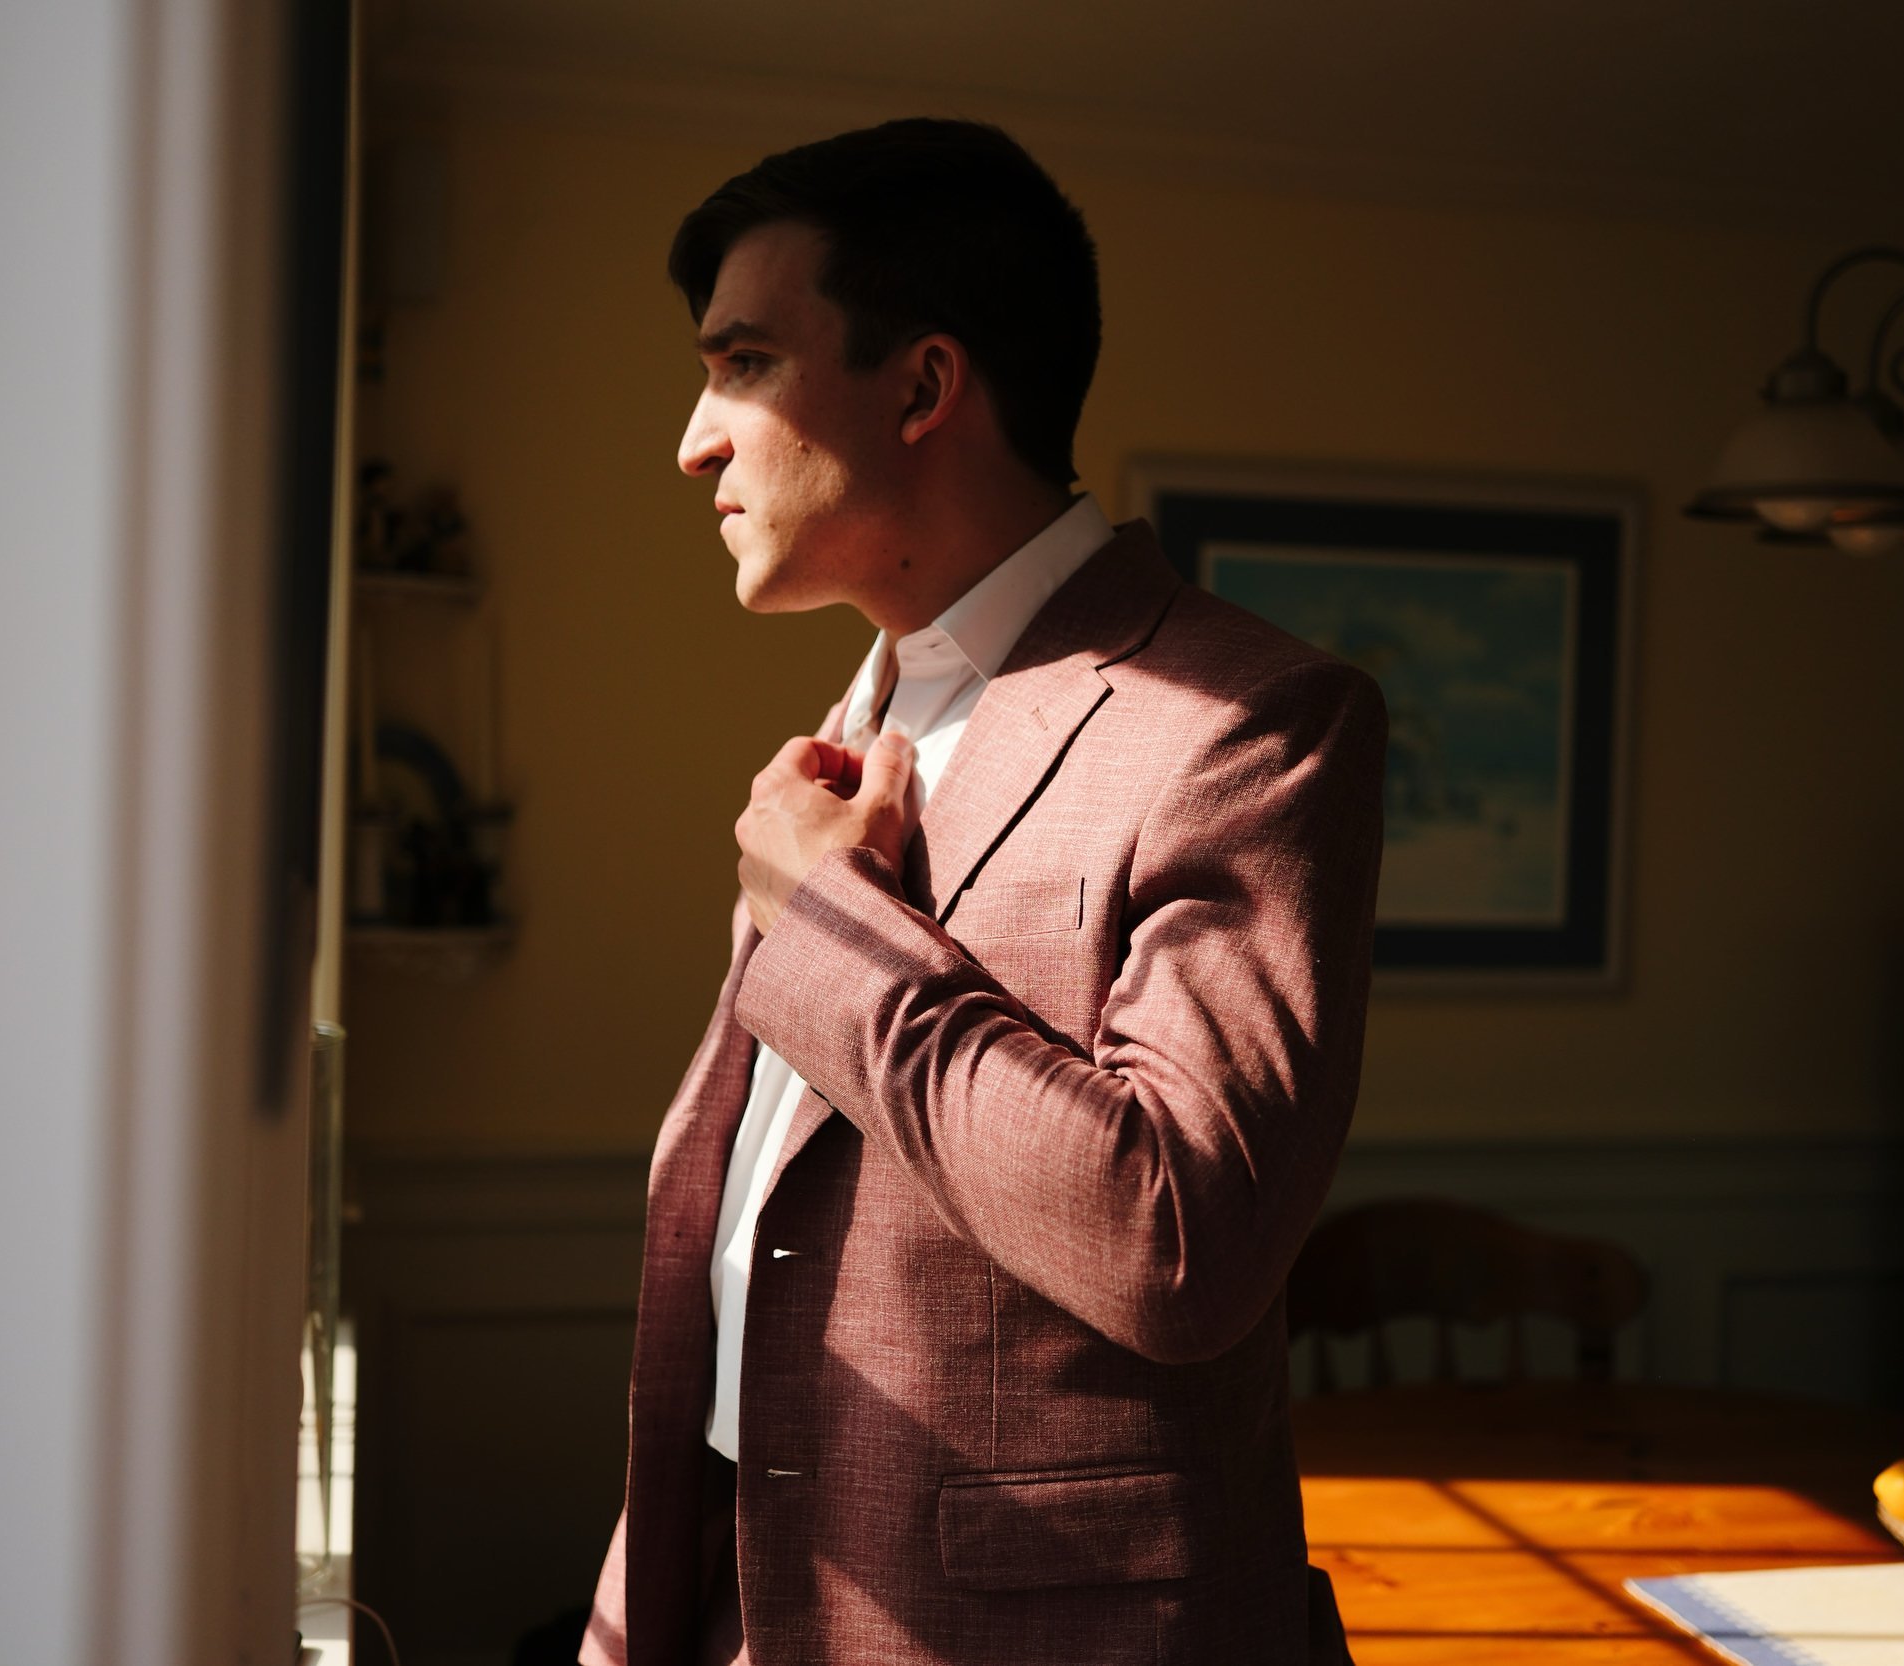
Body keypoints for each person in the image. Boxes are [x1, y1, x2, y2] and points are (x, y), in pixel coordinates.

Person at [579, 118, 1385, 1666]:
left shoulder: (1251, 721)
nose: (694, 439)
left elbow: (1176, 1235)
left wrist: (826, 929)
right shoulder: (854, 728)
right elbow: (758, 1232)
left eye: (741, 363)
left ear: (925, 384)